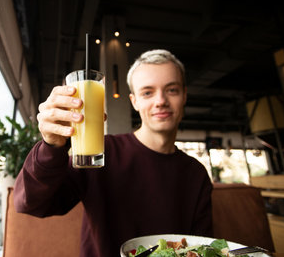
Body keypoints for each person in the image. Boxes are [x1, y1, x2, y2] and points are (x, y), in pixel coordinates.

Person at [13, 49, 213, 257]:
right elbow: (28, 203)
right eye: (147, 92)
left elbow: (203, 248)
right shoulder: (101, 152)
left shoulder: (196, 174)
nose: (160, 100)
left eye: (172, 90)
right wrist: (51, 146)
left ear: (184, 96)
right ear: (134, 101)